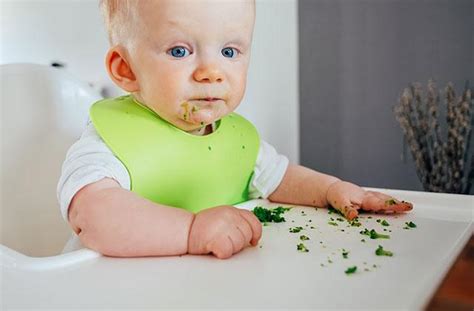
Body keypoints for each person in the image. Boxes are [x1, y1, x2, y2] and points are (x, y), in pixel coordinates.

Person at [57, 0, 413, 259]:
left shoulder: (237, 140)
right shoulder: (109, 144)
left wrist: (333, 189)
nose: (212, 71)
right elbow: (93, 215)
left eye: (229, 51)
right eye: (180, 50)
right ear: (127, 69)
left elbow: (282, 178)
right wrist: (191, 231)